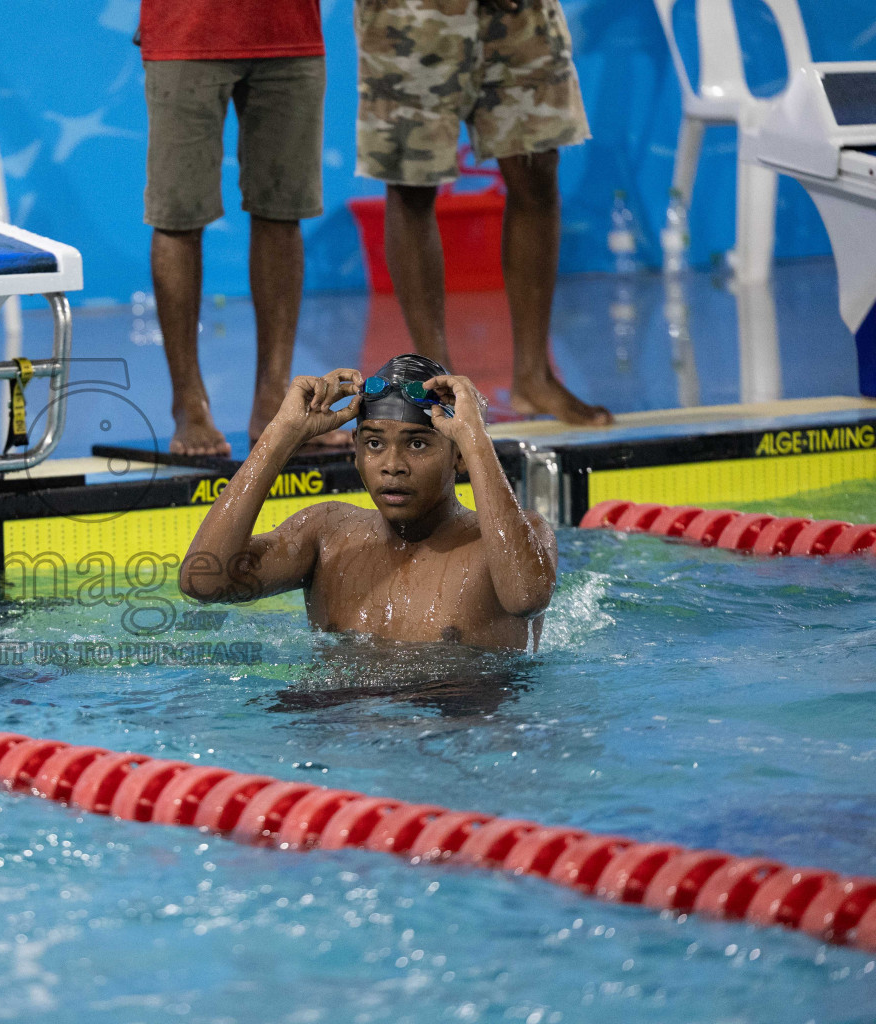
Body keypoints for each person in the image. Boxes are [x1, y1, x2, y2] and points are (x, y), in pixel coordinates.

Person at [179, 354, 557, 651]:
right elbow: (202, 581)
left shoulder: (515, 538)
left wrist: (476, 439)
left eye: (417, 444)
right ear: (355, 452)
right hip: (335, 727)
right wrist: (281, 436)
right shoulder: (326, 534)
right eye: (375, 443)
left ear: (457, 456)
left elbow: (526, 596)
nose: (392, 466)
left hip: (455, 730)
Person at [355, 0, 613, 427]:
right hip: (413, 13)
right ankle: (438, 387)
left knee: (537, 166)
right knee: (412, 180)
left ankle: (534, 377)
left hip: (518, 11)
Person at [139, 0, 350, 456]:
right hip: (185, 29)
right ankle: (187, 403)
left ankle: (276, 399)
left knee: (282, 212)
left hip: (290, 28)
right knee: (177, 216)